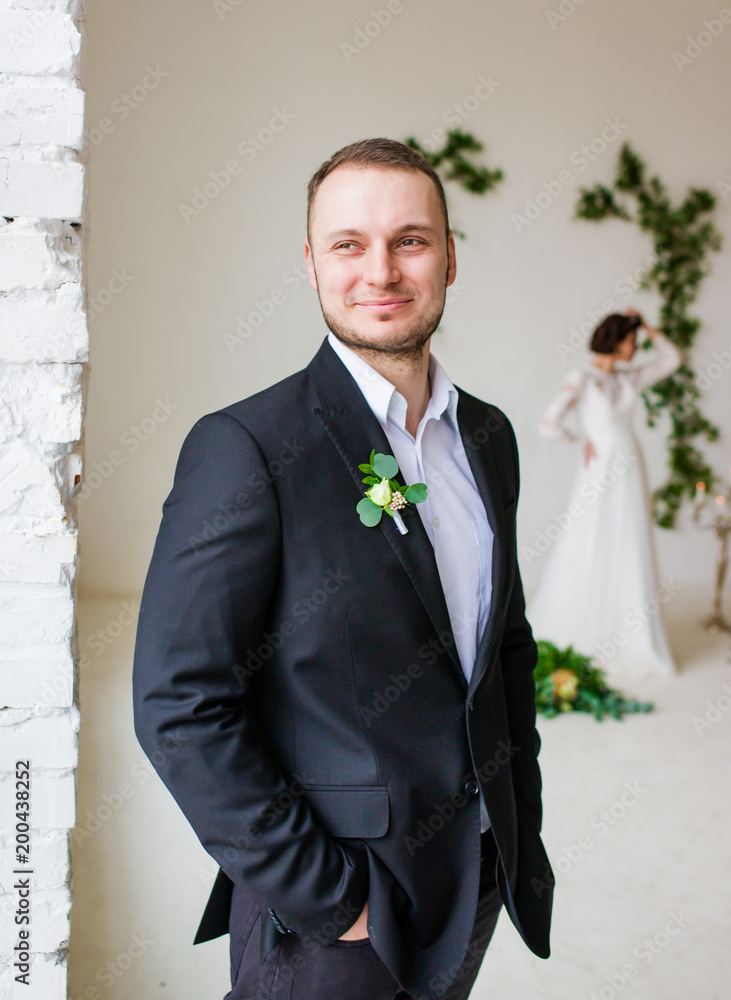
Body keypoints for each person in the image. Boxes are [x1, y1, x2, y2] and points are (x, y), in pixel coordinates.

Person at [132, 138, 553, 1000]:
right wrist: (333, 900)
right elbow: (177, 701)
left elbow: (504, 649)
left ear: (449, 255)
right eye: (348, 243)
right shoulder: (247, 447)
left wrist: (516, 833)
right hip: (331, 920)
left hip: (472, 876)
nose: (381, 270)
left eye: (410, 239)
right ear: (310, 262)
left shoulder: (489, 438)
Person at [527, 308, 684, 679]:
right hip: (600, 469)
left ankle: (631, 629)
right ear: (616, 340)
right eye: (632, 340)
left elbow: (673, 359)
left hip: (630, 464)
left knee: (630, 538)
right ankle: (588, 623)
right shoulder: (581, 378)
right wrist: (583, 440)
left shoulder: (630, 376)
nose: (636, 347)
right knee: (594, 536)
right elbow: (547, 423)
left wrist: (645, 325)